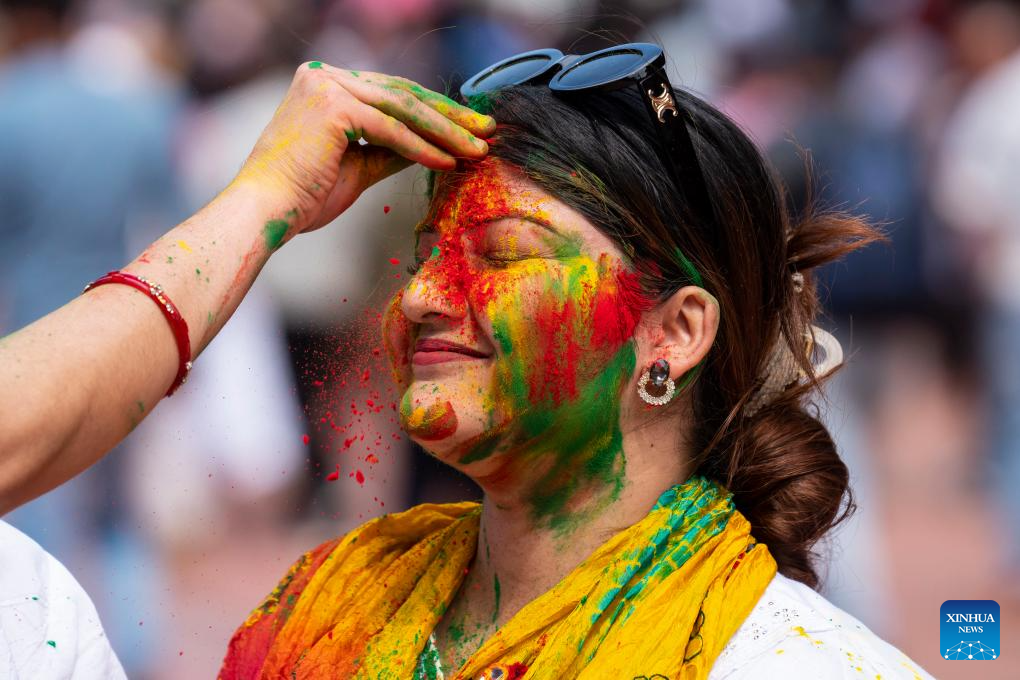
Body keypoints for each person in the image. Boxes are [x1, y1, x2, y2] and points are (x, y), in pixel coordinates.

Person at [0, 45, 934, 679]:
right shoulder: (328, 610)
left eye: (501, 254)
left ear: (675, 332)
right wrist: (264, 199)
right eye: (424, 254)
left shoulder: (786, 660)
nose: (420, 296)